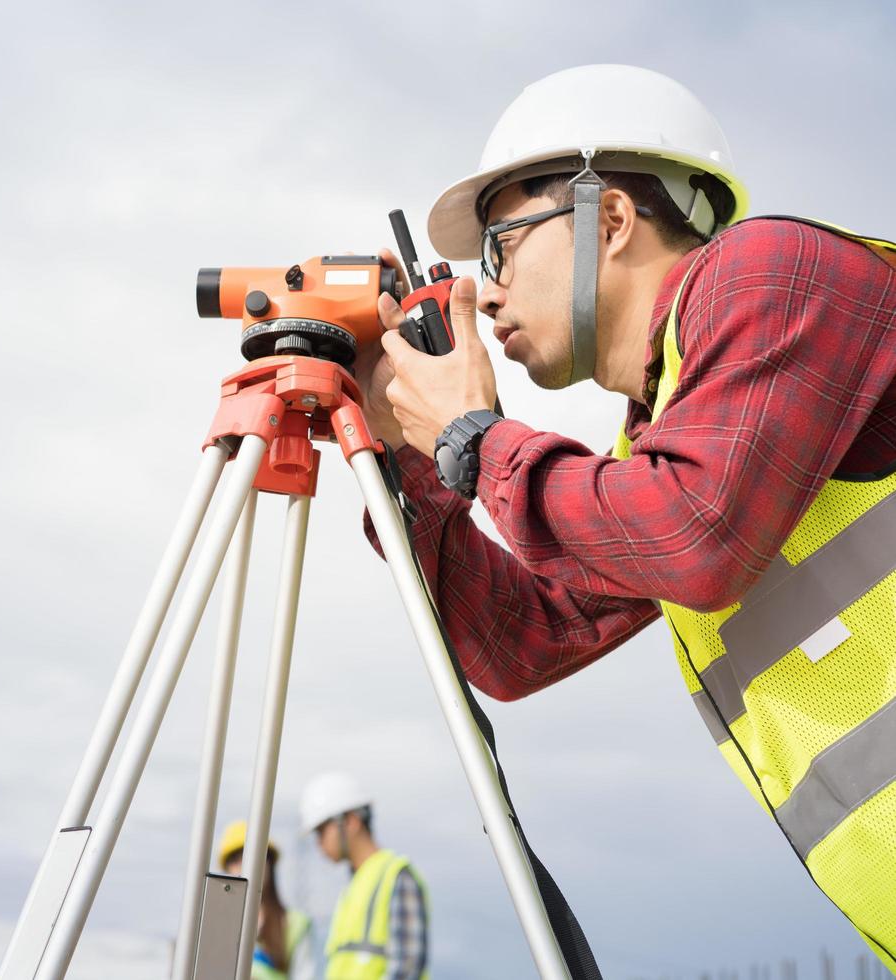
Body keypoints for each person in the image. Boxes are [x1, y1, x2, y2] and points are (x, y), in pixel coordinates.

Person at [353, 64, 896, 967]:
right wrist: (411, 454)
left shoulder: (776, 273)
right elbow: (525, 640)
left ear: (608, 220)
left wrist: (475, 437)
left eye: (502, 246)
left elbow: (695, 535)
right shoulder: (662, 443)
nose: (485, 293)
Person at [300, 772, 427, 979]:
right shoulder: (354, 887)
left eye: (322, 830)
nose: (319, 843)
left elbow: (407, 968)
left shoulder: (397, 876)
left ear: (350, 821)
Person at [216, 820, 316, 979]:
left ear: (270, 862)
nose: (245, 866)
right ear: (227, 870)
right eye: (236, 860)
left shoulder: (295, 925)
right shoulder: (216, 925)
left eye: (252, 856)